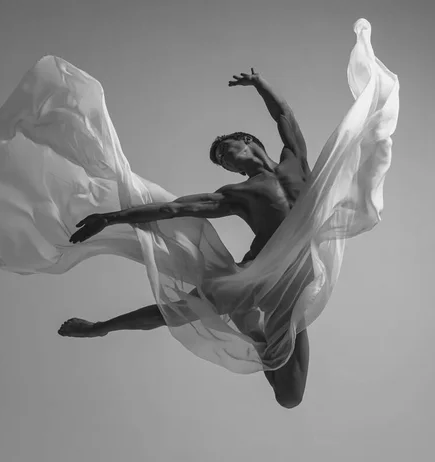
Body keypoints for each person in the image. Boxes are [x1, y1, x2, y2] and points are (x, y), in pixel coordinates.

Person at [58, 68, 311, 409]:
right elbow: (174, 211)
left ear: (248, 141)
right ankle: (100, 327)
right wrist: (110, 217)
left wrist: (260, 85)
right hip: (258, 273)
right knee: (184, 309)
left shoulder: (294, 161)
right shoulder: (239, 193)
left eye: (225, 151)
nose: (224, 161)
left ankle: (261, 336)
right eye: (221, 162)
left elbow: (284, 117)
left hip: (295, 277)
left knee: (289, 396)